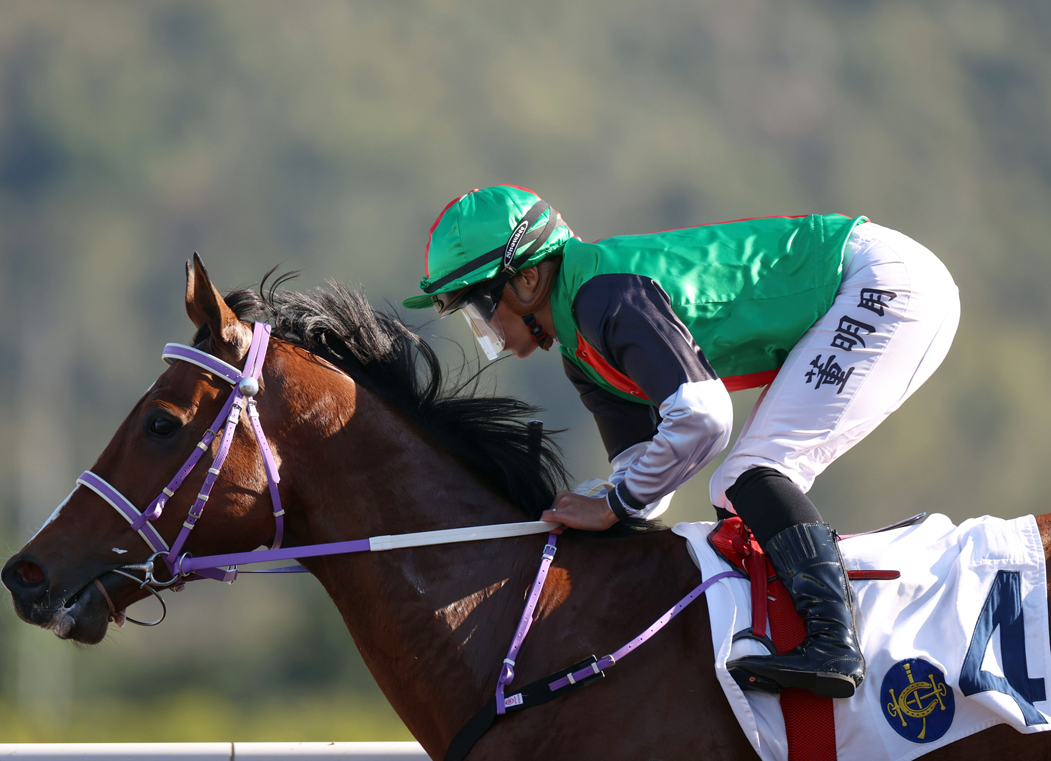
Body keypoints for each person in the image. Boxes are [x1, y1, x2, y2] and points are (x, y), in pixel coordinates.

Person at [402, 185, 960, 699]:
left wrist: (614, 505)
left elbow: (704, 418)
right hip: (866, 281)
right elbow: (649, 474)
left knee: (750, 474)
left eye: (479, 306)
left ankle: (834, 643)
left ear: (526, 280)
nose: (484, 329)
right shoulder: (581, 350)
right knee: (741, 483)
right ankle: (801, 632)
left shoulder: (603, 298)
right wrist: (591, 503)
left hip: (881, 281)